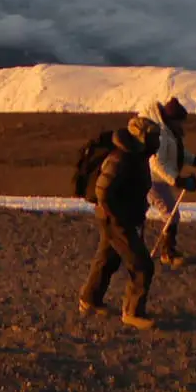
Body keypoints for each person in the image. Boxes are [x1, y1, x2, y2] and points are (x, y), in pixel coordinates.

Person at [79, 115, 162, 330]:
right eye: (153, 137)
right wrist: (118, 219)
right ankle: (132, 312)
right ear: (142, 137)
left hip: (118, 217)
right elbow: (103, 191)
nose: (157, 142)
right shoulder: (122, 157)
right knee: (142, 265)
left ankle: (89, 300)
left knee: (108, 258)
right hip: (116, 219)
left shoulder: (136, 155)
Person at [138, 97, 196, 267]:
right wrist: (178, 180)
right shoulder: (162, 135)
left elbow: (178, 154)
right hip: (152, 181)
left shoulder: (168, 133)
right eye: (180, 122)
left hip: (158, 181)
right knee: (170, 214)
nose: (182, 125)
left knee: (153, 214)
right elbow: (156, 163)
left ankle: (147, 250)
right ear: (173, 119)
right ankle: (167, 254)